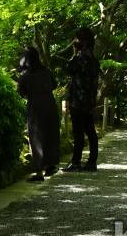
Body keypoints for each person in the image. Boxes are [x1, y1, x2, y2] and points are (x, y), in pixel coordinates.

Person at [17, 45, 60, 181]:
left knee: (36, 139)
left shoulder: (25, 77)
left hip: (35, 107)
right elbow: (55, 85)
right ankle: (51, 166)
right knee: (51, 134)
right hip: (50, 104)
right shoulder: (46, 72)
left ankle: (39, 172)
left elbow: (21, 93)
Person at [63, 26, 101, 172]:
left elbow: (69, 69)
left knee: (79, 132)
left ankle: (76, 162)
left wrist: (75, 52)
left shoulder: (80, 58)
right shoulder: (93, 59)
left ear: (82, 41)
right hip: (89, 100)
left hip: (78, 100)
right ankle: (91, 162)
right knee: (90, 131)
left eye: (77, 39)